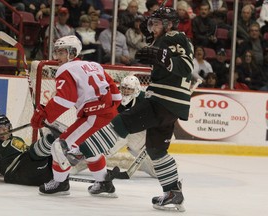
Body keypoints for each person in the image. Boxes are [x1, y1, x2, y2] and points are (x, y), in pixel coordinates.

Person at [75, 7, 194, 211]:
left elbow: (186, 66)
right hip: (172, 105)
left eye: (157, 23)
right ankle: (173, 192)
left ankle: (79, 153)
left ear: (169, 25)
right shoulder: (171, 40)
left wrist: (164, 58)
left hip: (162, 100)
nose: (153, 27)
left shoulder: (173, 37)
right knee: (156, 150)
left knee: (120, 123)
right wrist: (159, 52)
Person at [30, 35, 122, 196]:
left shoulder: (65, 69)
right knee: (89, 147)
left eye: (61, 53)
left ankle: (60, 183)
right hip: (108, 114)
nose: (57, 57)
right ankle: (104, 183)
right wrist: (107, 110)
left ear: (72, 53)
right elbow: (116, 95)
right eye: (56, 52)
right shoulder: (94, 65)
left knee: (60, 146)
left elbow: (66, 99)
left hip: (94, 116)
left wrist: (45, 115)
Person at [72, 75, 156, 178]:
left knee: (152, 167)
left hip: (140, 131)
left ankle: (158, 171)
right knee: (104, 148)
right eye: (124, 88)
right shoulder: (114, 98)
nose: (125, 91)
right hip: (121, 130)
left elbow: (157, 115)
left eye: (129, 89)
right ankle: (76, 166)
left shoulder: (144, 99)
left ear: (136, 90)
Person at [0, 115, 55, 185]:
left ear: (10, 128)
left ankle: (53, 146)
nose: (2, 132)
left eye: (5, 129)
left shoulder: (16, 139)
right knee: (35, 152)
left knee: (47, 157)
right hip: (16, 171)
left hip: (37, 167)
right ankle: (51, 139)